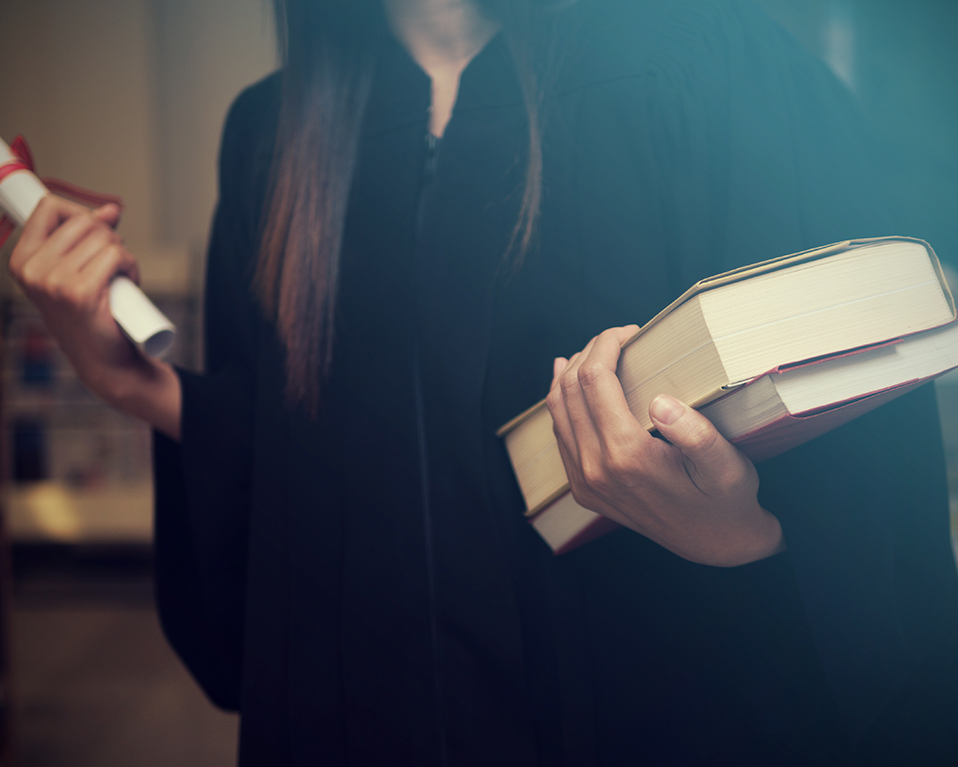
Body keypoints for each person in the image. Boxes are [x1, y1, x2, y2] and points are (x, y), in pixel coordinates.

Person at [9, 0, 958, 763]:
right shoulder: (275, 133)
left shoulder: (707, 63)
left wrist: (741, 540)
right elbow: (298, 486)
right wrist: (130, 382)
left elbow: (869, 499)